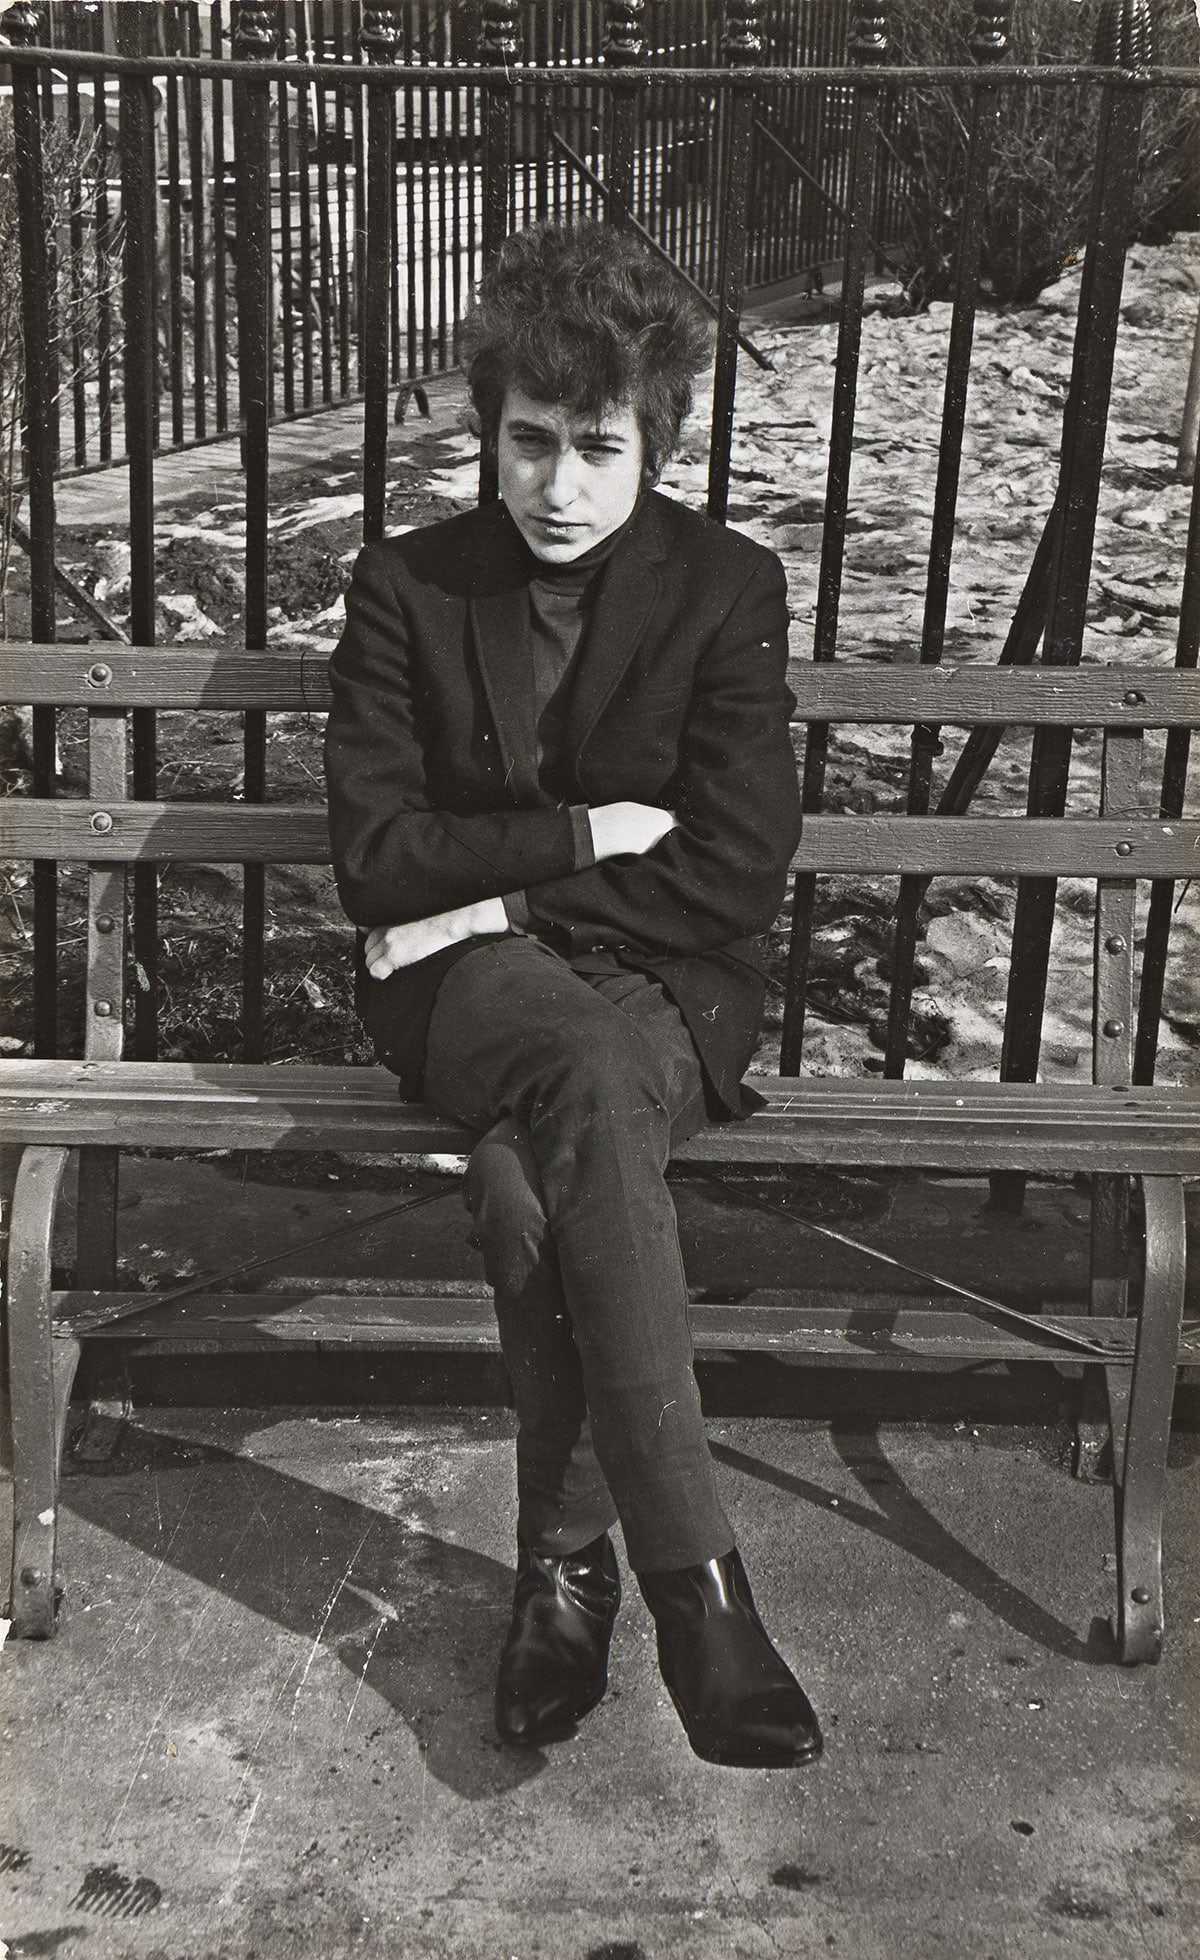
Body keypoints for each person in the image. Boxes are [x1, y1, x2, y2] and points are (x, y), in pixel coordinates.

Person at [324, 221, 820, 1769]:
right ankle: (703, 1589)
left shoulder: (725, 586)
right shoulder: (409, 587)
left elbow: (735, 871)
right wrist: (580, 835)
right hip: (469, 994)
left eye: (598, 447)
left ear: (654, 441)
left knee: (531, 1182)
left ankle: (567, 1574)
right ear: (490, 432)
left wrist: (505, 887)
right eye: (528, 443)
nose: (557, 485)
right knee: (586, 1086)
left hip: (666, 983)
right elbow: (375, 857)